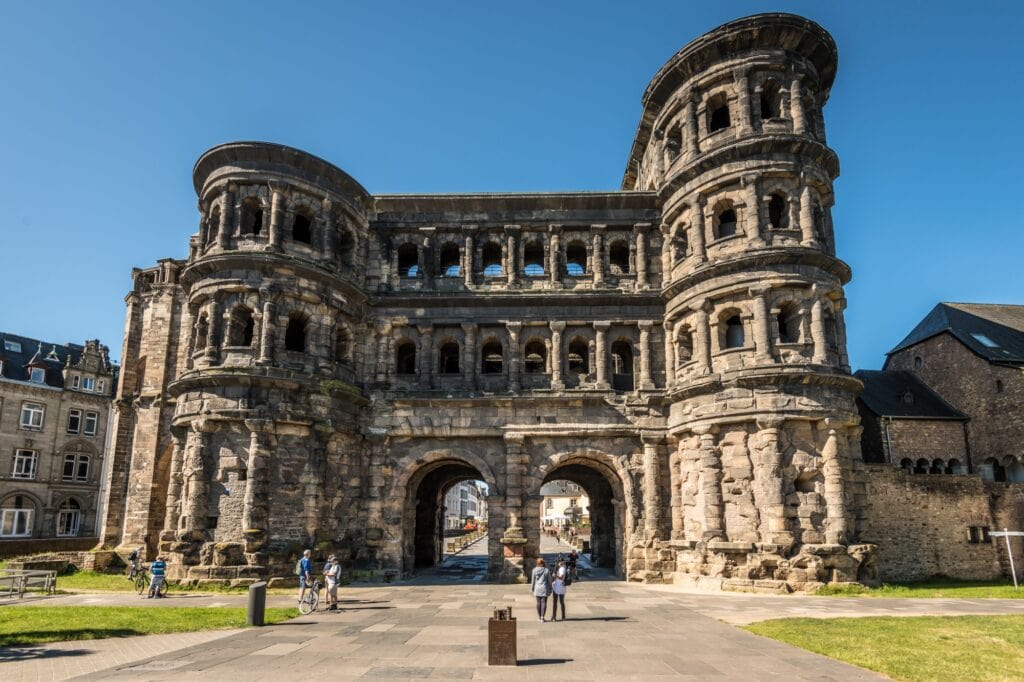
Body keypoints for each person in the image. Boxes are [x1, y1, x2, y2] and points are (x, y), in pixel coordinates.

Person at [530, 557, 551, 622]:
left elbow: (533, 580)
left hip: (537, 588)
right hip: (544, 587)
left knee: (538, 603)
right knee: (544, 602)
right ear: (543, 563)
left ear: (537, 563)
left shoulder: (534, 570)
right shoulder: (546, 570)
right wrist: (551, 587)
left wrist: (532, 588)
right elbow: (549, 580)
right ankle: (542, 617)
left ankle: (539, 617)